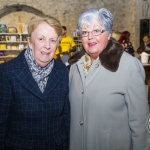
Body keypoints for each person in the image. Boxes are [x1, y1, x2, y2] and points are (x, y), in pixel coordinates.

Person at [68, 8, 150, 150]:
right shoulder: (75, 66)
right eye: (85, 32)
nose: (90, 37)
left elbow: (140, 124)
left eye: (96, 31)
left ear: (109, 34)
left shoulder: (129, 66)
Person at [0, 15, 70, 150]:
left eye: (53, 40)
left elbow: (66, 116)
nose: (47, 46)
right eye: (41, 39)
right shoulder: (7, 72)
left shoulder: (62, 71)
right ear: (30, 42)